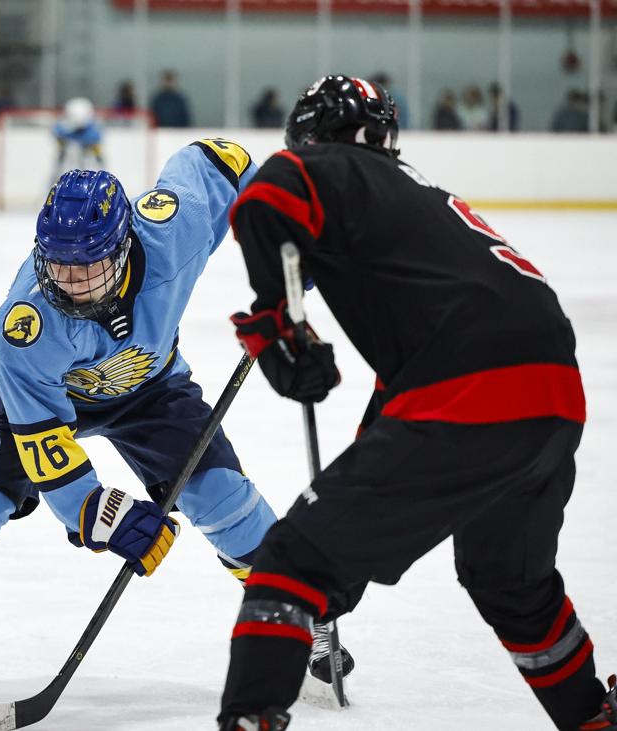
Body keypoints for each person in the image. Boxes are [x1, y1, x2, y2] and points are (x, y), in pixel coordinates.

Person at [0, 139, 353, 704]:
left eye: (88, 265)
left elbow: (222, 160)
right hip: (34, 397)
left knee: (221, 494)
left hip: (149, 386)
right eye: (59, 264)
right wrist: (98, 513)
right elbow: (44, 443)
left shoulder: (175, 229)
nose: (70, 280)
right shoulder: (22, 328)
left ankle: (300, 610)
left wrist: (286, 236)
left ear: (123, 248)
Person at [217, 74, 616, 731]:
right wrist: (343, 554)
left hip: (473, 390)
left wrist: (278, 325)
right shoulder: (422, 204)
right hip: (552, 403)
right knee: (511, 584)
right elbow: (400, 411)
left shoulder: (327, 166)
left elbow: (266, 195)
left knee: (289, 559)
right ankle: (591, 716)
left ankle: (248, 718)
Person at [51, 97, 104, 182]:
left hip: (87, 154)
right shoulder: (62, 128)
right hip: (68, 156)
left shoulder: (93, 132)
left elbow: (98, 158)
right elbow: (58, 135)